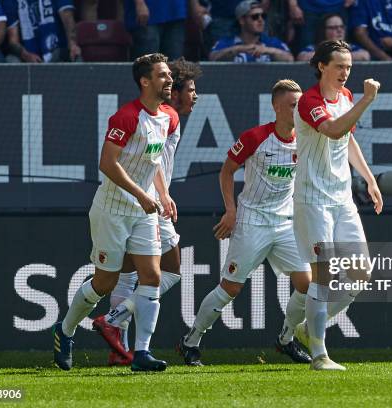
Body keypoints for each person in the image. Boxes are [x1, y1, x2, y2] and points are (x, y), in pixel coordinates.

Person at [53, 53, 177, 372]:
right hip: (112, 210)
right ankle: (65, 331)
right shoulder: (126, 117)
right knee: (104, 283)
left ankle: (142, 353)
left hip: (145, 209)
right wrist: (141, 194)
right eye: (162, 75)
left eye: (169, 75)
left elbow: (154, 162)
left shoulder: (170, 117)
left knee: (152, 275)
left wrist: (162, 194)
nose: (170, 80)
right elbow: (107, 163)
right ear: (145, 81)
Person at [176, 80, 312, 367]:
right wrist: (230, 209)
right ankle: (191, 341)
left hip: (285, 221)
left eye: (301, 104)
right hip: (253, 220)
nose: (298, 110)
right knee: (231, 288)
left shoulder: (307, 137)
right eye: (292, 105)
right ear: (276, 107)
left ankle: (286, 340)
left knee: (307, 283)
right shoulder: (255, 137)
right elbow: (226, 172)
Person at [91, 58, 202, 367]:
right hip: (145, 204)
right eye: (190, 90)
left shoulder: (166, 118)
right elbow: (151, 166)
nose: (195, 96)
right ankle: (112, 321)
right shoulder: (162, 118)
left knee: (128, 278)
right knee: (168, 272)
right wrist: (161, 196)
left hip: (148, 201)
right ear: (173, 91)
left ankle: (120, 349)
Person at [291, 40, 383, 370]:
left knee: (361, 274)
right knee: (325, 276)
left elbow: (347, 138)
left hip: (342, 198)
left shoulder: (344, 98)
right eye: (339, 66)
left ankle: (306, 328)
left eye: (349, 68)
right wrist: (368, 100)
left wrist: (369, 179)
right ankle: (319, 354)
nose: (345, 73)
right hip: (313, 199)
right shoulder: (308, 102)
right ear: (321, 67)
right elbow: (332, 130)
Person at [209, 0, 293, 62]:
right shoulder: (227, 42)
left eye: (263, 16)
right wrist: (238, 49)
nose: (261, 20)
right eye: (255, 17)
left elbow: (290, 59)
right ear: (242, 20)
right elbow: (212, 58)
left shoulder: (271, 42)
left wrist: (267, 50)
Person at [4, 0, 81, 62]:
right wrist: (26, 55)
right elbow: (13, 40)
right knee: (11, 60)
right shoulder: (10, 1)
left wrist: (72, 44)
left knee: (73, 54)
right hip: (30, 58)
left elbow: (68, 18)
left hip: (59, 51)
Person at [297, 13, 370, 61]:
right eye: (334, 27)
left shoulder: (350, 47)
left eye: (341, 27)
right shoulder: (315, 47)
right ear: (323, 31)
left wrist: (330, 57)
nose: (339, 30)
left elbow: (365, 55)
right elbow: (302, 57)